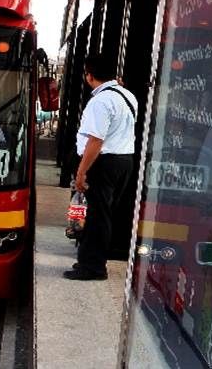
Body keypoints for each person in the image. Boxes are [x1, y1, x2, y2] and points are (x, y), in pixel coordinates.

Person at [64, 54, 137, 281]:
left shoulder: (101, 101)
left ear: (89, 74)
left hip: (103, 163)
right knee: (103, 214)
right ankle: (89, 261)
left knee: (97, 216)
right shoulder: (127, 95)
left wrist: (81, 172)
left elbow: (96, 140)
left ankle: (93, 267)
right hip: (124, 161)